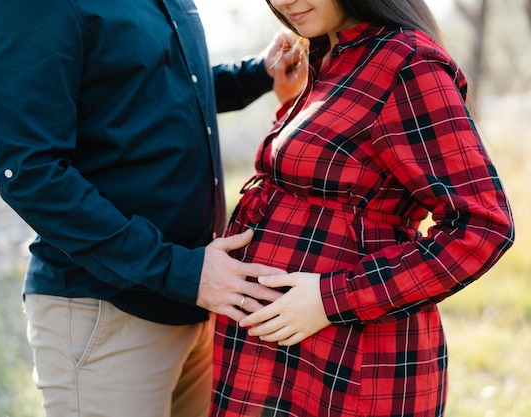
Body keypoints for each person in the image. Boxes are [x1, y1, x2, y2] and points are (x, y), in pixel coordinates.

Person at [0, 1, 308, 416]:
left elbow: (157, 93)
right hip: (107, 313)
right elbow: (31, 174)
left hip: (196, 303)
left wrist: (255, 74)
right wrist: (182, 272)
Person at [211, 0, 515, 416]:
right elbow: (337, 180)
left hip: (350, 353)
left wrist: (331, 299)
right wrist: (289, 107)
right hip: (279, 353)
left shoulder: (408, 63)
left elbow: (483, 225)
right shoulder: (328, 55)